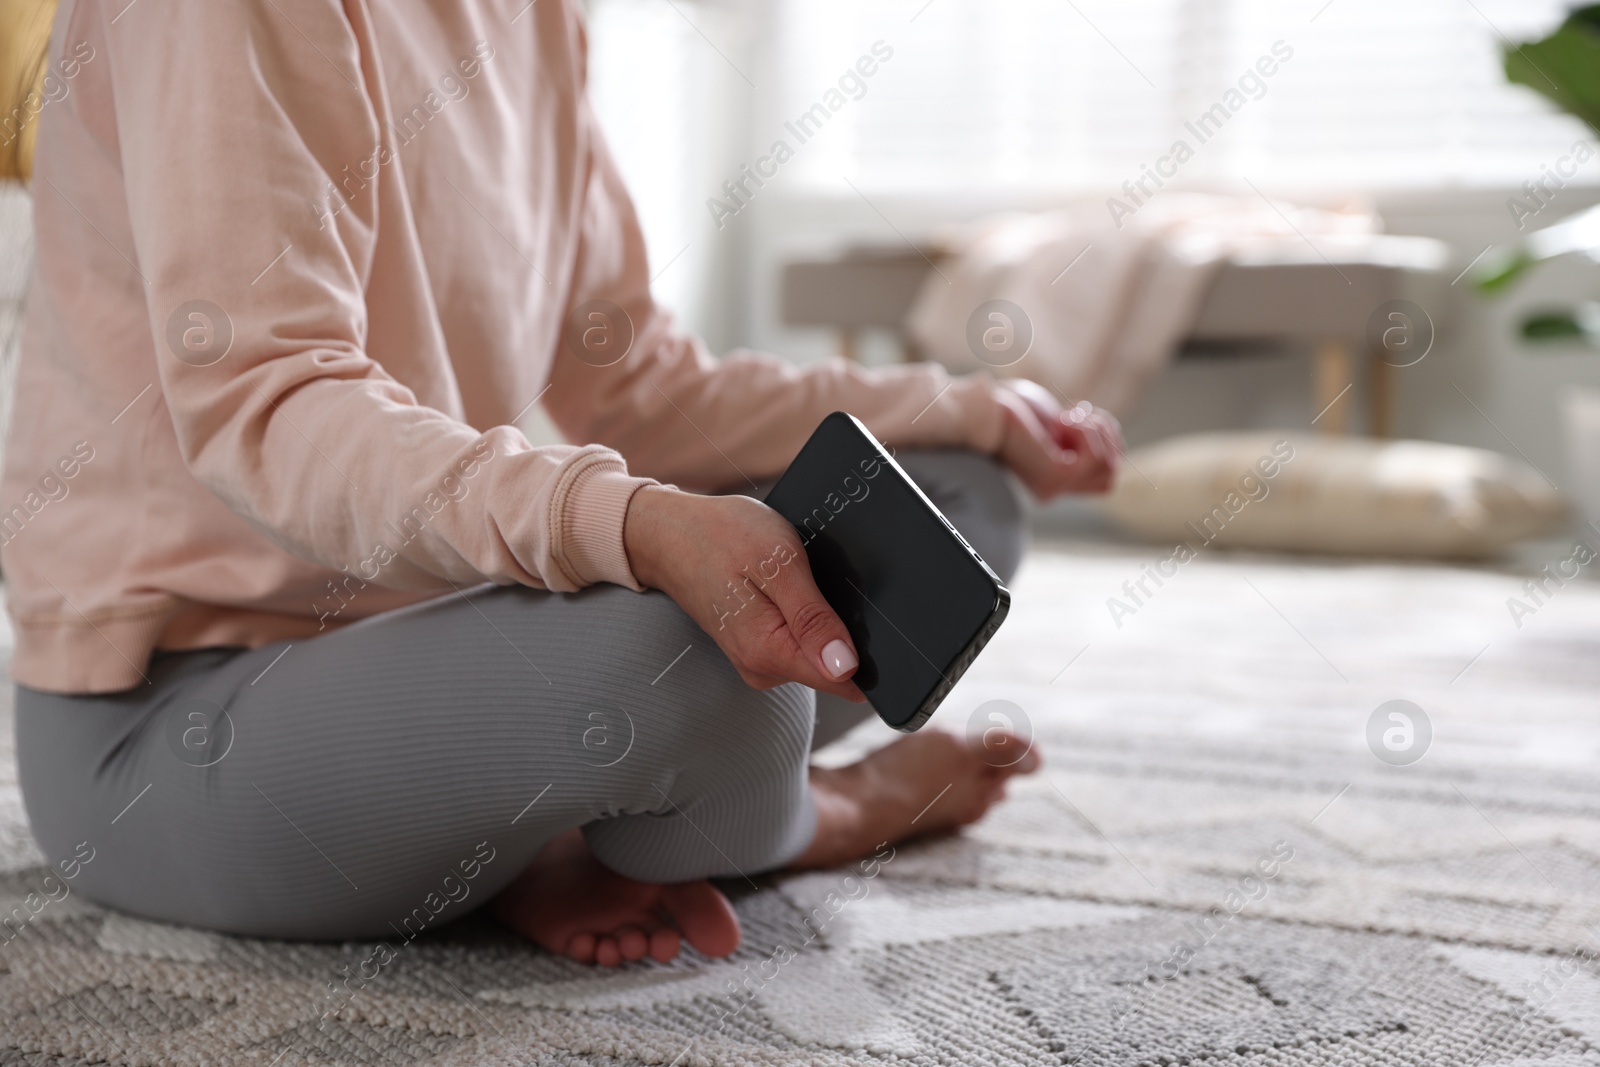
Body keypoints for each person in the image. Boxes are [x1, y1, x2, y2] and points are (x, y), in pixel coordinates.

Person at [1, 0, 1121, 968]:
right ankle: (822, 809)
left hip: (432, 639)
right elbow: (269, 404)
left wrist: (968, 406)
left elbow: (635, 382)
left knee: (950, 500)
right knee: (697, 661)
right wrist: (628, 524)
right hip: (174, 718)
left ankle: (548, 826)